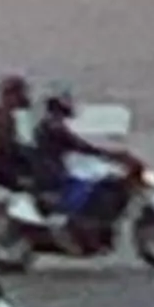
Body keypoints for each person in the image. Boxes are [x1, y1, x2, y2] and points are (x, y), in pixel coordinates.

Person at [31, 88, 133, 242]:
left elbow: (76, 145)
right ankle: (77, 224)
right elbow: (78, 144)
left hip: (54, 168)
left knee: (93, 176)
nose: (69, 105)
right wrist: (109, 154)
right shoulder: (53, 126)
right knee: (90, 185)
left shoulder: (51, 124)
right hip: (52, 172)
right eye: (65, 103)